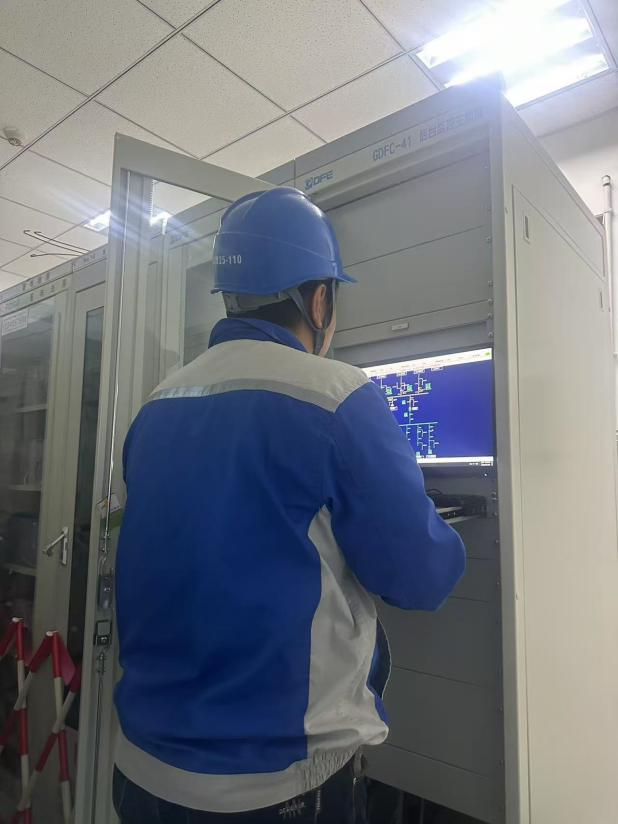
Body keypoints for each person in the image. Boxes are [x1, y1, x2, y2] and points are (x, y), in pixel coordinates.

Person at [113, 187, 465, 823]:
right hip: (273, 785)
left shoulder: (158, 403)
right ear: (319, 299)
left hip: (142, 768)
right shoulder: (336, 395)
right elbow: (421, 577)